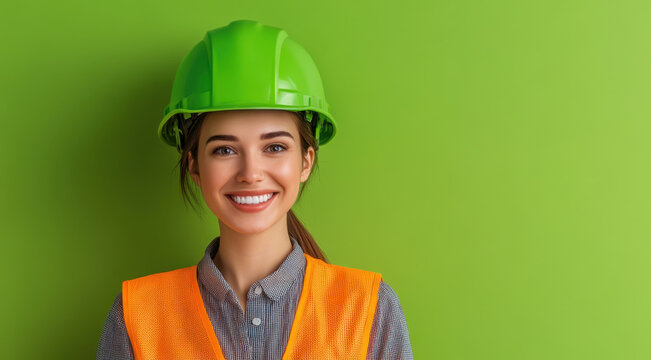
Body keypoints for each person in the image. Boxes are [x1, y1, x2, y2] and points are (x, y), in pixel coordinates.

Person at [96, 20, 413, 359]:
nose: (251, 173)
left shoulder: (370, 310)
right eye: (224, 149)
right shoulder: (136, 317)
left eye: (274, 147)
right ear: (194, 166)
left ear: (306, 161)